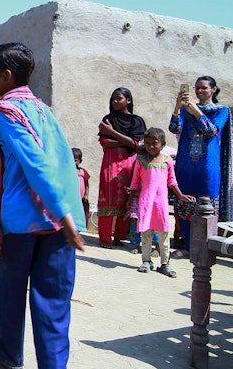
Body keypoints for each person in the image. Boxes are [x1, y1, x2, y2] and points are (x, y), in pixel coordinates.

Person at [0, 42, 85, 369]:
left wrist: (62, 215)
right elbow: (63, 161)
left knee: (9, 291)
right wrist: (69, 214)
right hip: (60, 220)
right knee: (53, 301)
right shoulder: (43, 109)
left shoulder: (5, 113)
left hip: (26, 221)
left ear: (6, 76)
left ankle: (9, 353)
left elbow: (35, 164)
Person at [169, 76, 233, 258]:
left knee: (206, 208)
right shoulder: (186, 109)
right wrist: (177, 108)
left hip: (208, 167)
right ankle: (189, 247)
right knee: (185, 207)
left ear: (213, 90)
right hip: (186, 166)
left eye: (204, 88)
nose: (199, 91)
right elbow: (174, 128)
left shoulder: (222, 111)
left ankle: (205, 249)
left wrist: (197, 112)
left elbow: (211, 131)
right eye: (197, 88)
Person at [128, 128, 194, 278]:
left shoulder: (167, 160)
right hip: (146, 203)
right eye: (148, 143)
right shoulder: (141, 161)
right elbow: (135, 181)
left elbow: (172, 181)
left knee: (163, 233)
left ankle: (165, 264)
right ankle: (146, 260)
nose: (151, 146)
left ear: (163, 145)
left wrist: (181, 195)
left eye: (155, 143)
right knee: (146, 233)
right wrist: (131, 196)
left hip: (161, 204)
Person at [96, 87, 146, 249]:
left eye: (119, 98)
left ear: (128, 101)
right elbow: (104, 142)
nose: (115, 102)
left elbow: (137, 144)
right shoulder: (108, 118)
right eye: (113, 99)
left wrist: (112, 132)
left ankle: (119, 237)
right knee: (107, 199)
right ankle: (105, 238)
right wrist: (125, 141)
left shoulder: (136, 121)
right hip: (110, 163)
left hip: (130, 164)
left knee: (127, 199)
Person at [72, 148, 90, 228]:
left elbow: (86, 184)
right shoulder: (68, 171)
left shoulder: (82, 172)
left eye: (75, 160)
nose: (73, 162)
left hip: (80, 198)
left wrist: (86, 195)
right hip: (71, 198)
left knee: (79, 212)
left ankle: (78, 227)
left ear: (80, 161)